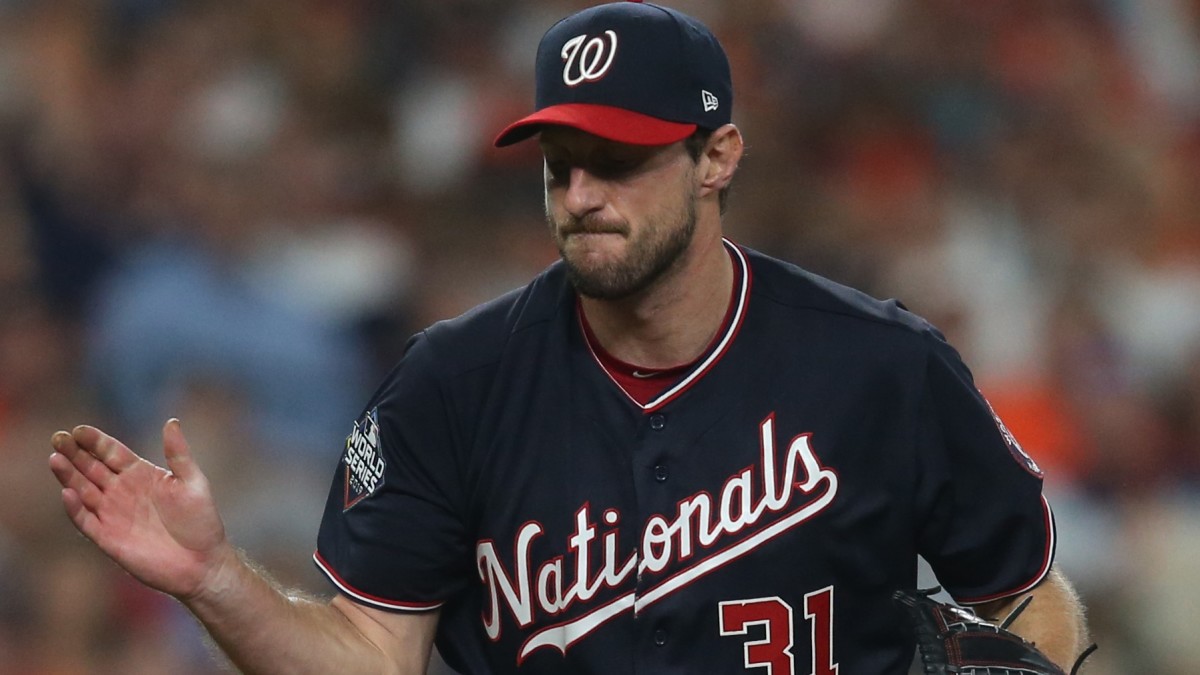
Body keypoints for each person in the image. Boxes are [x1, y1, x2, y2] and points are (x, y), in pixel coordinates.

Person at [48, 2, 1090, 673]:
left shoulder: (880, 366)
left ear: (717, 156)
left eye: (620, 160)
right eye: (561, 163)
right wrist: (217, 580)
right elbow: (369, 650)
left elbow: (1029, 593)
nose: (582, 194)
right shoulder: (455, 382)